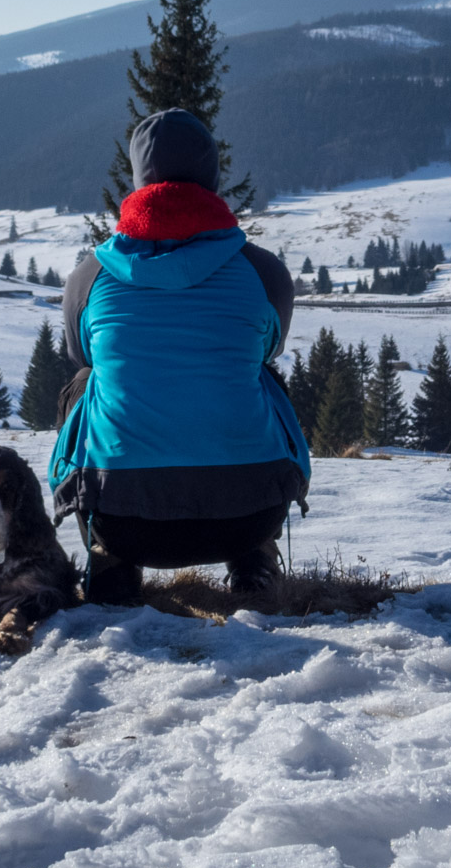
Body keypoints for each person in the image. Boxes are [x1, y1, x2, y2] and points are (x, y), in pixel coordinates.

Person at [49, 108, 310, 604]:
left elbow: (80, 353)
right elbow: (267, 349)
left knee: (86, 383)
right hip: (248, 511)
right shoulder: (262, 273)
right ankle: (254, 558)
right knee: (262, 374)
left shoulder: (90, 278)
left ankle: (109, 558)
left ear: (137, 179)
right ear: (212, 177)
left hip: (125, 518)